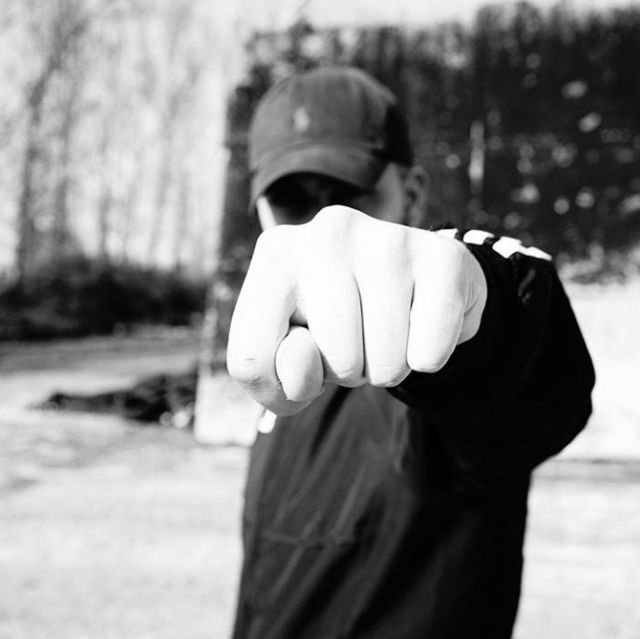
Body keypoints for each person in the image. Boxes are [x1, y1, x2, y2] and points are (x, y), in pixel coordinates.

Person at [226, 66, 594, 639]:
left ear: (414, 192)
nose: (326, 224)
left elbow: (532, 365)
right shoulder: (277, 350)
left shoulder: (437, 362)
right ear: (261, 211)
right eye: (291, 198)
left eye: (348, 191)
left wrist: (472, 298)